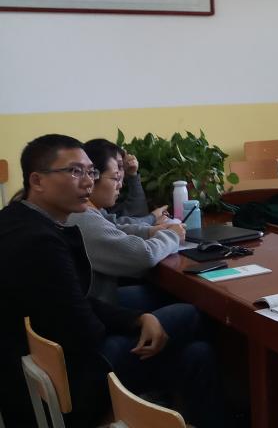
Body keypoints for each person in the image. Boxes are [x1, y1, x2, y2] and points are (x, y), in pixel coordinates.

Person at [0, 134, 224, 427]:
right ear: (37, 181)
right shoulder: (40, 241)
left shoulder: (17, 218)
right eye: (74, 171)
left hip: (49, 367)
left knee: (197, 354)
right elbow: (85, 330)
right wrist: (132, 323)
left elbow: (75, 300)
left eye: (90, 172)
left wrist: (136, 319)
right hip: (72, 379)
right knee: (192, 314)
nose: (87, 182)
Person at [67, 138, 184, 307]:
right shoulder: (81, 217)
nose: (120, 184)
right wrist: (172, 235)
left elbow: (113, 227)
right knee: (192, 309)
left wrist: (150, 231)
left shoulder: (85, 211)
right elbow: (143, 257)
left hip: (99, 301)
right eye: (116, 177)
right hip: (98, 311)